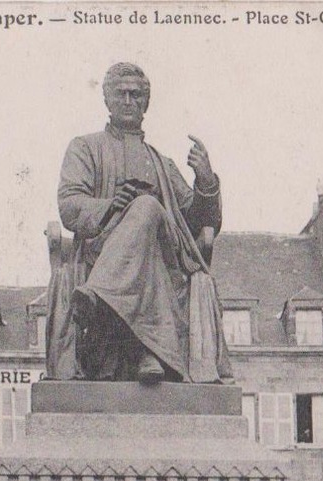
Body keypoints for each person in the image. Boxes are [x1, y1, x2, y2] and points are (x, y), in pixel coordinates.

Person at [48, 62, 232, 383]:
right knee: (141, 215)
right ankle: (147, 351)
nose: (129, 100)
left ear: (146, 103)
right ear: (107, 99)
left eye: (137, 95)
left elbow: (200, 222)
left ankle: (98, 299)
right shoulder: (85, 148)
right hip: (105, 251)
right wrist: (109, 206)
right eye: (121, 94)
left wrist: (205, 180)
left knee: (146, 206)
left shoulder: (162, 163)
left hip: (163, 259)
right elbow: (69, 206)